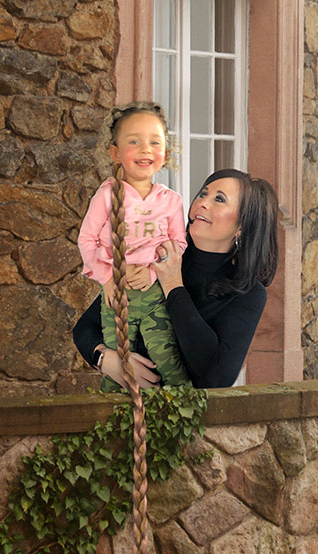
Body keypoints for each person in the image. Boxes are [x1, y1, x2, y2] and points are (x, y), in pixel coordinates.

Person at [73, 168, 279, 389]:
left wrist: (172, 285)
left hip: (182, 419)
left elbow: (216, 377)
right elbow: (86, 328)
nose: (203, 202)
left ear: (242, 226)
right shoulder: (154, 254)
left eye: (219, 199)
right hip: (125, 410)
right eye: (203, 193)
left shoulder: (249, 293)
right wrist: (107, 360)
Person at [77, 102, 190, 390]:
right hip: (116, 296)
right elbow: (87, 240)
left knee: (166, 357)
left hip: (154, 296)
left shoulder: (171, 201)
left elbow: (178, 244)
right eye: (134, 141)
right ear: (115, 153)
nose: (145, 149)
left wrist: (153, 271)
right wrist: (107, 279)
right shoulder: (106, 195)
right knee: (118, 368)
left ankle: (182, 413)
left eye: (155, 142)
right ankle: (109, 426)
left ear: (165, 152)